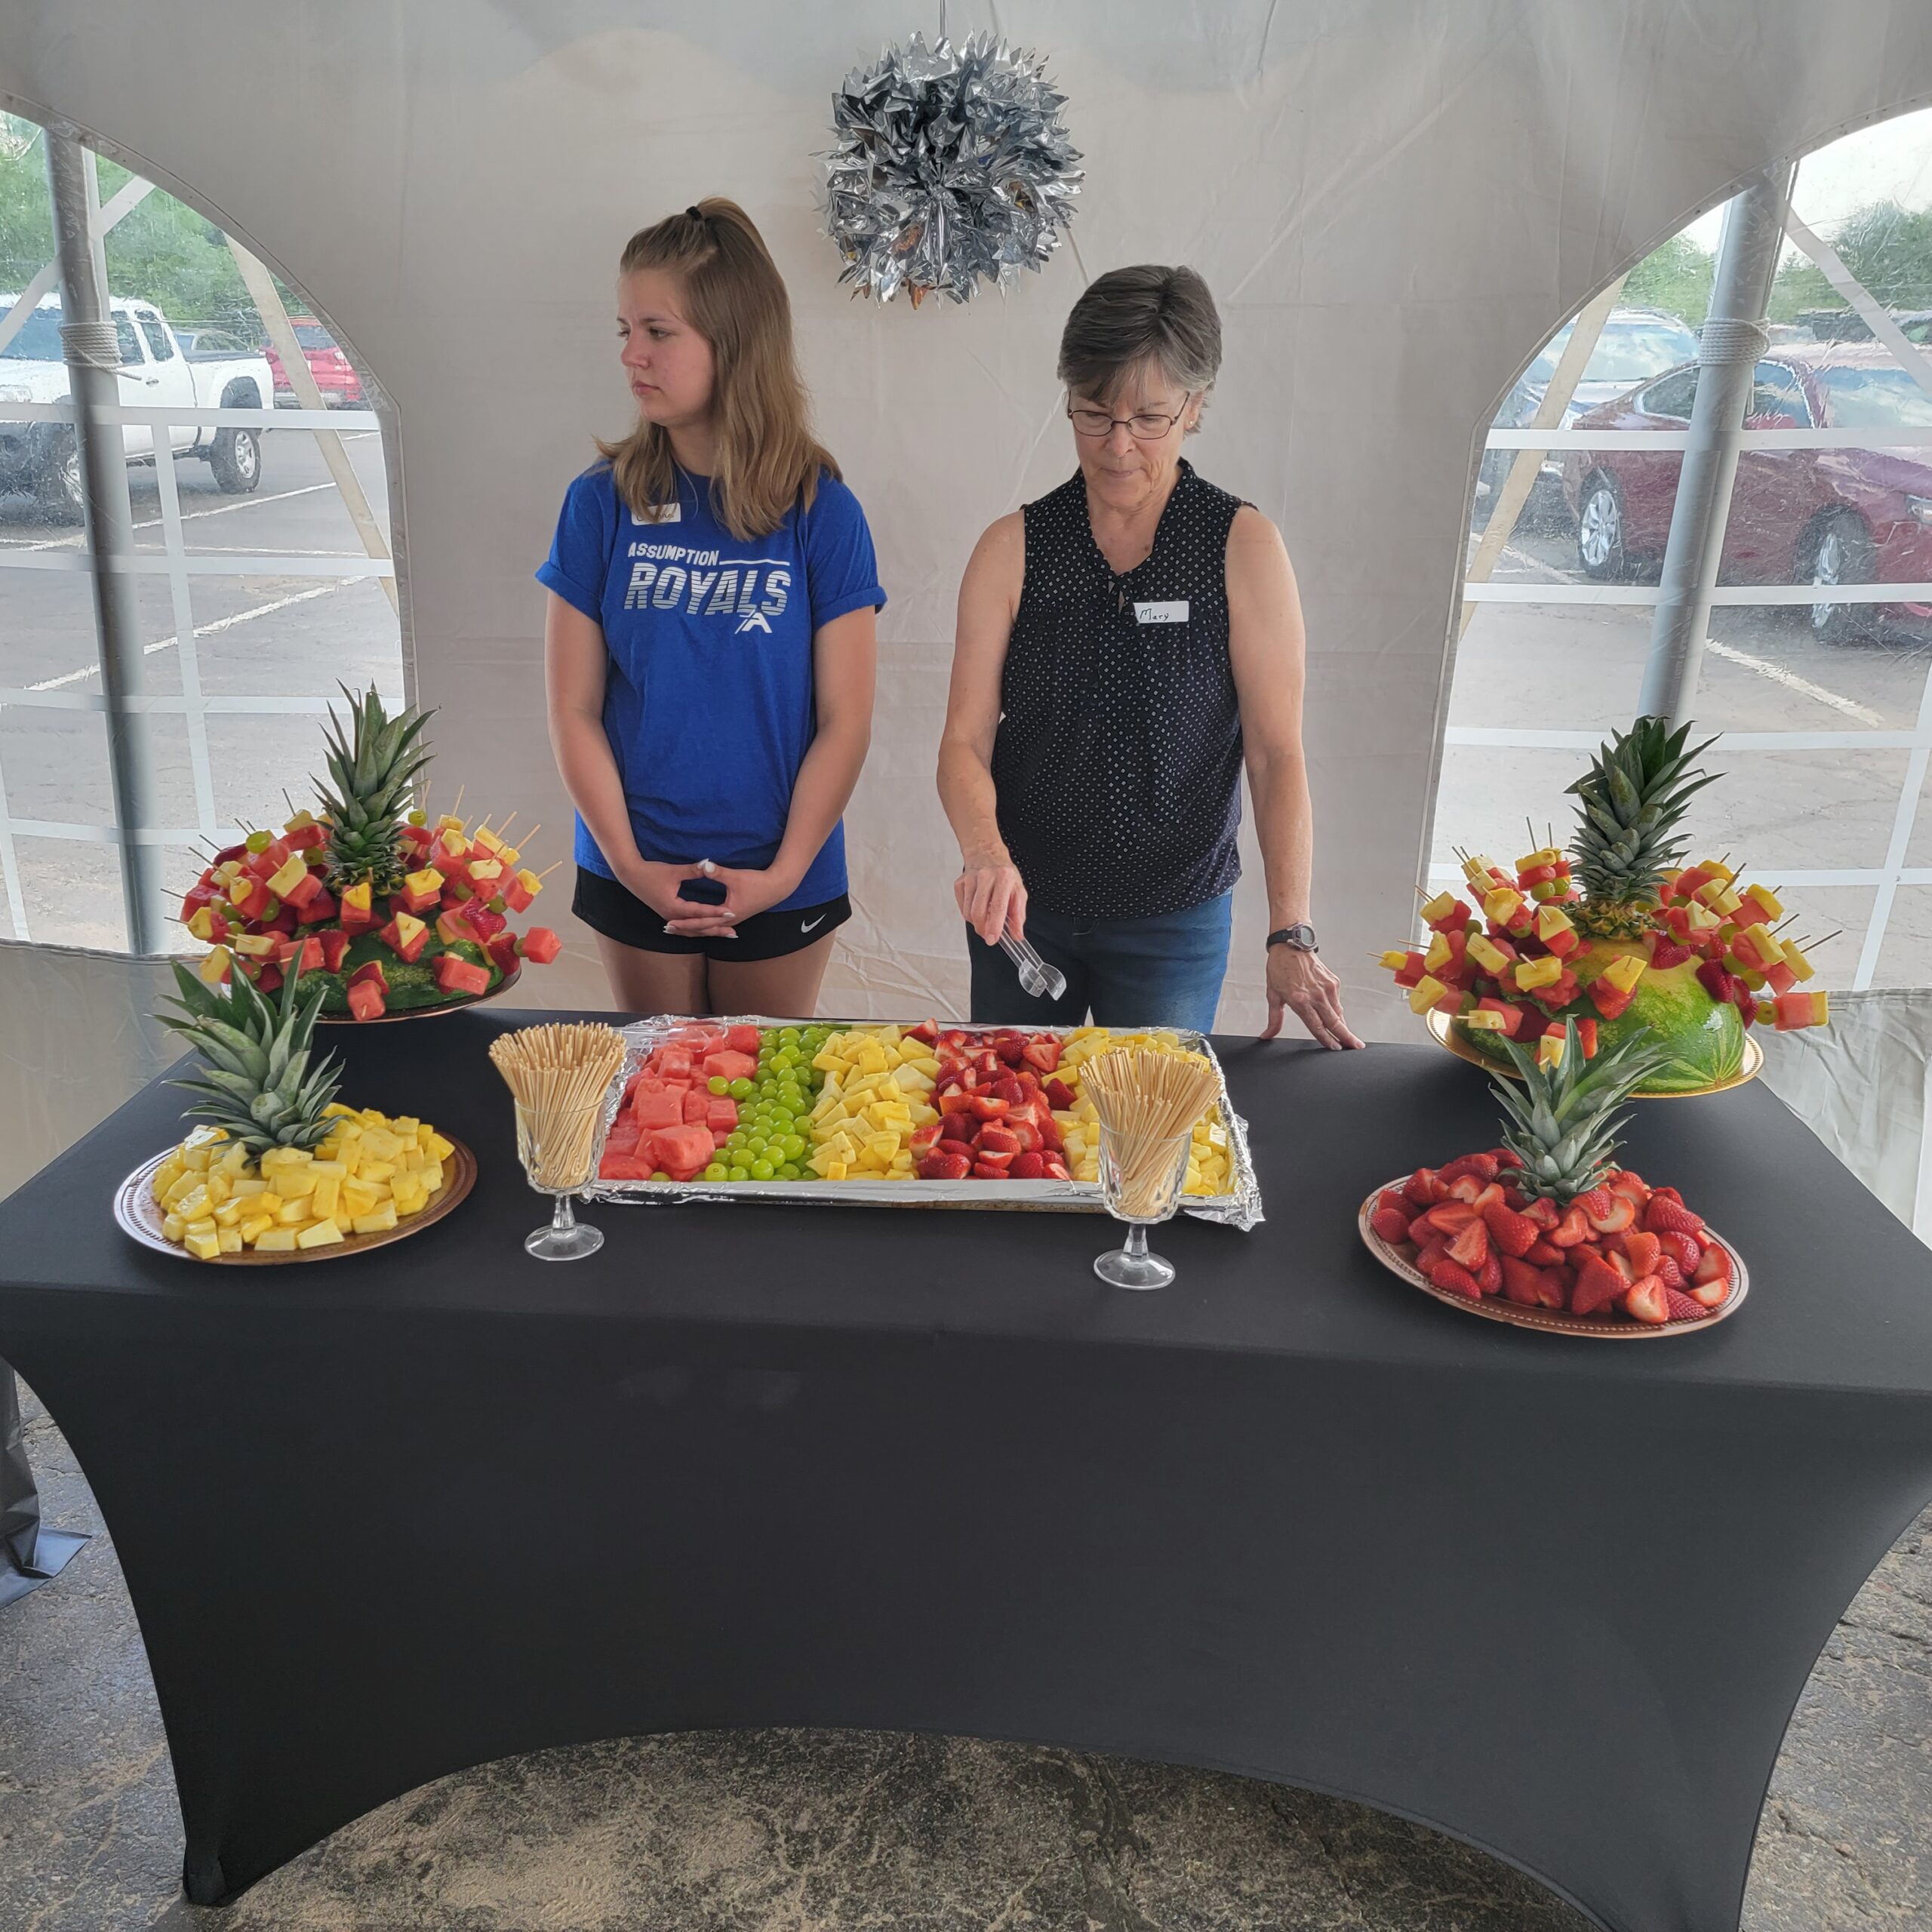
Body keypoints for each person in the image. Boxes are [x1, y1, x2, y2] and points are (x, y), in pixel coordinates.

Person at [937, 263, 1361, 1048]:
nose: (1118, 445)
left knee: (1148, 1134)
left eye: (1149, 418)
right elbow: (964, 739)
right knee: (1010, 1123)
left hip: (1176, 911)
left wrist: (1289, 929)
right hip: (1023, 905)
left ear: (1196, 407)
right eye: (1093, 414)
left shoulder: (1240, 546)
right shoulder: (1012, 547)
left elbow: (1274, 754)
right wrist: (983, 852)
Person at [540, 198, 883, 1018]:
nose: (631, 355)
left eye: (659, 332)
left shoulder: (821, 512)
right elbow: (573, 709)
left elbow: (846, 719)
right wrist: (627, 863)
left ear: (733, 340)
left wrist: (785, 872)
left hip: (779, 869)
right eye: (624, 329)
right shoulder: (600, 506)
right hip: (633, 865)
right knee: (655, 1107)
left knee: (761, 1106)